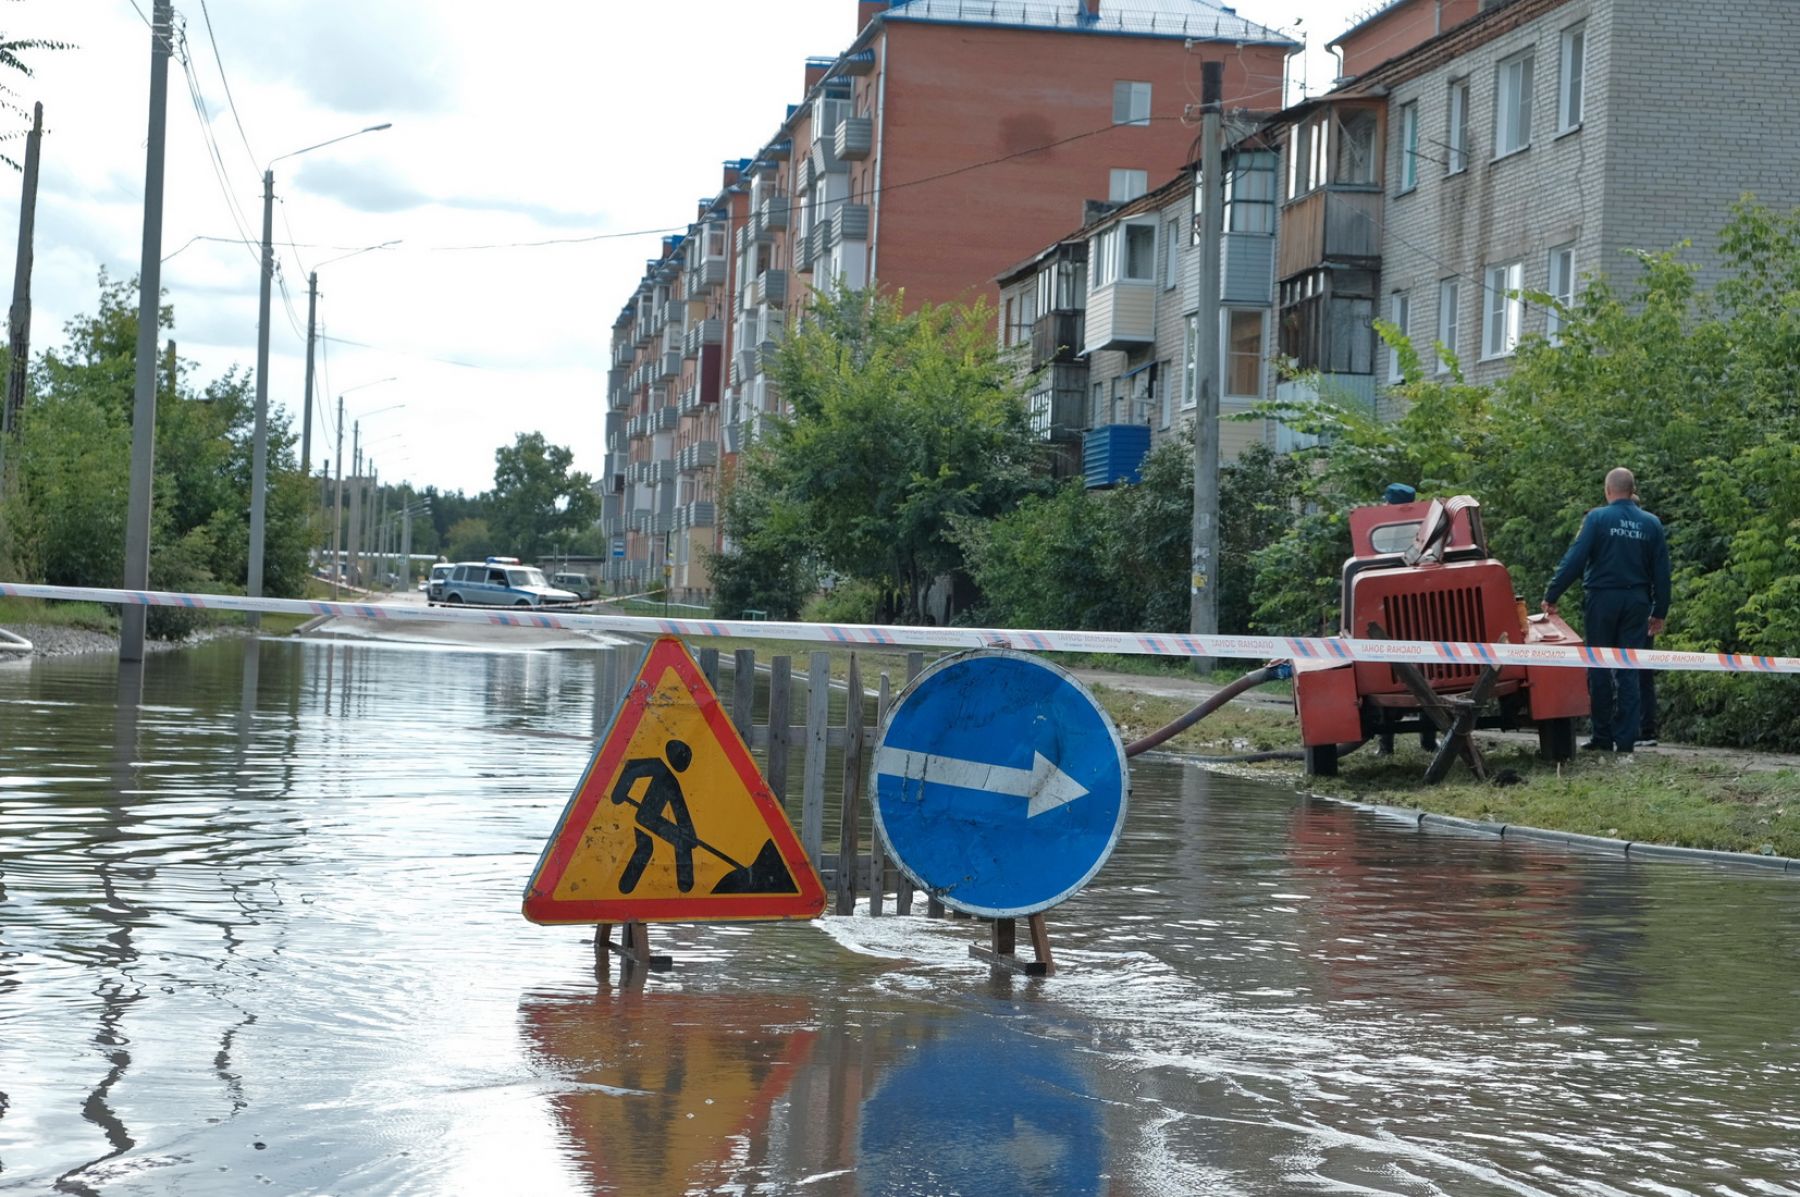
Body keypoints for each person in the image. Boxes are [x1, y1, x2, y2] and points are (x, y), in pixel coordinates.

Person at [1542, 468, 1671, 755]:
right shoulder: (1652, 524)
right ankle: (1626, 740)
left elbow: (1575, 558)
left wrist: (1553, 593)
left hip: (1602, 599)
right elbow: (1662, 571)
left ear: (1608, 490)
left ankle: (1601, 734)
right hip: (1637, 601)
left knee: (1599, 665)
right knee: (1629, 668)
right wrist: (1659, 610)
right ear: (1632, 489)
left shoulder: (1597, 518)